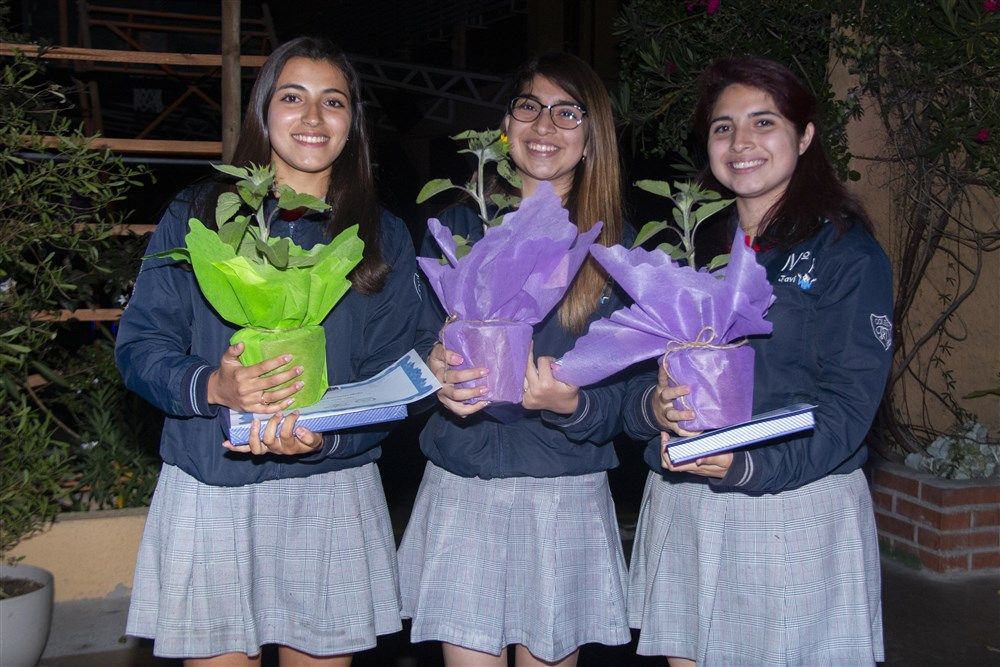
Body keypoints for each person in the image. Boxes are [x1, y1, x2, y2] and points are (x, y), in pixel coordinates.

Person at [115, 36, 419, 666]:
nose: (313, 117)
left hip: (332, 492)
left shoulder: (382, 234)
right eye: (292, 97)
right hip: (213, 487)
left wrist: (328, 437)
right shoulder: (199, 214)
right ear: (263, 111)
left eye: (333, 101)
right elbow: (140, 345)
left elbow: (395, 375)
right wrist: (212, 386)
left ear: (352, 122)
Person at [623, 56, 892, 666]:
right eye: (723, 127)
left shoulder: (845, 253)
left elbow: (849, 407)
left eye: (763, 122)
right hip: (688, 502)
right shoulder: (691, 252)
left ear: (804, 135)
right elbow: (637, 378)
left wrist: (748, 464)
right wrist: (655, 406)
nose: (741, 142)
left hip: (793, 509)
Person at [398, 52, 634, 667]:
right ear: (506, 124)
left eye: (567, 112)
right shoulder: (460, 225)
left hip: (563, 493)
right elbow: (410, 342)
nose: (544, 125)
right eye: (529, 106)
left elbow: (637, 394)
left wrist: (576, 405)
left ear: (592, 137)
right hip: (464, 486)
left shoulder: (612, 246)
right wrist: (434, 369)